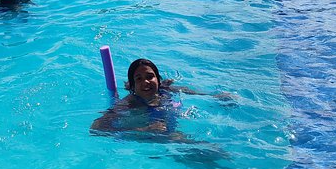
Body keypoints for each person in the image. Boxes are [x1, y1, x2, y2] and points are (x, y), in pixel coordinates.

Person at [90, 58, 234, 138]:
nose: (146, 82)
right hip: (157, 138)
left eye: (150, 77)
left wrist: (217, 97)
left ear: (158, 80)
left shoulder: (166, 89)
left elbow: (193, 92)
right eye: (139, 79)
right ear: (133, 86)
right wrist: (143, 130)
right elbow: (96, 129)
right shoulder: (128, 104)